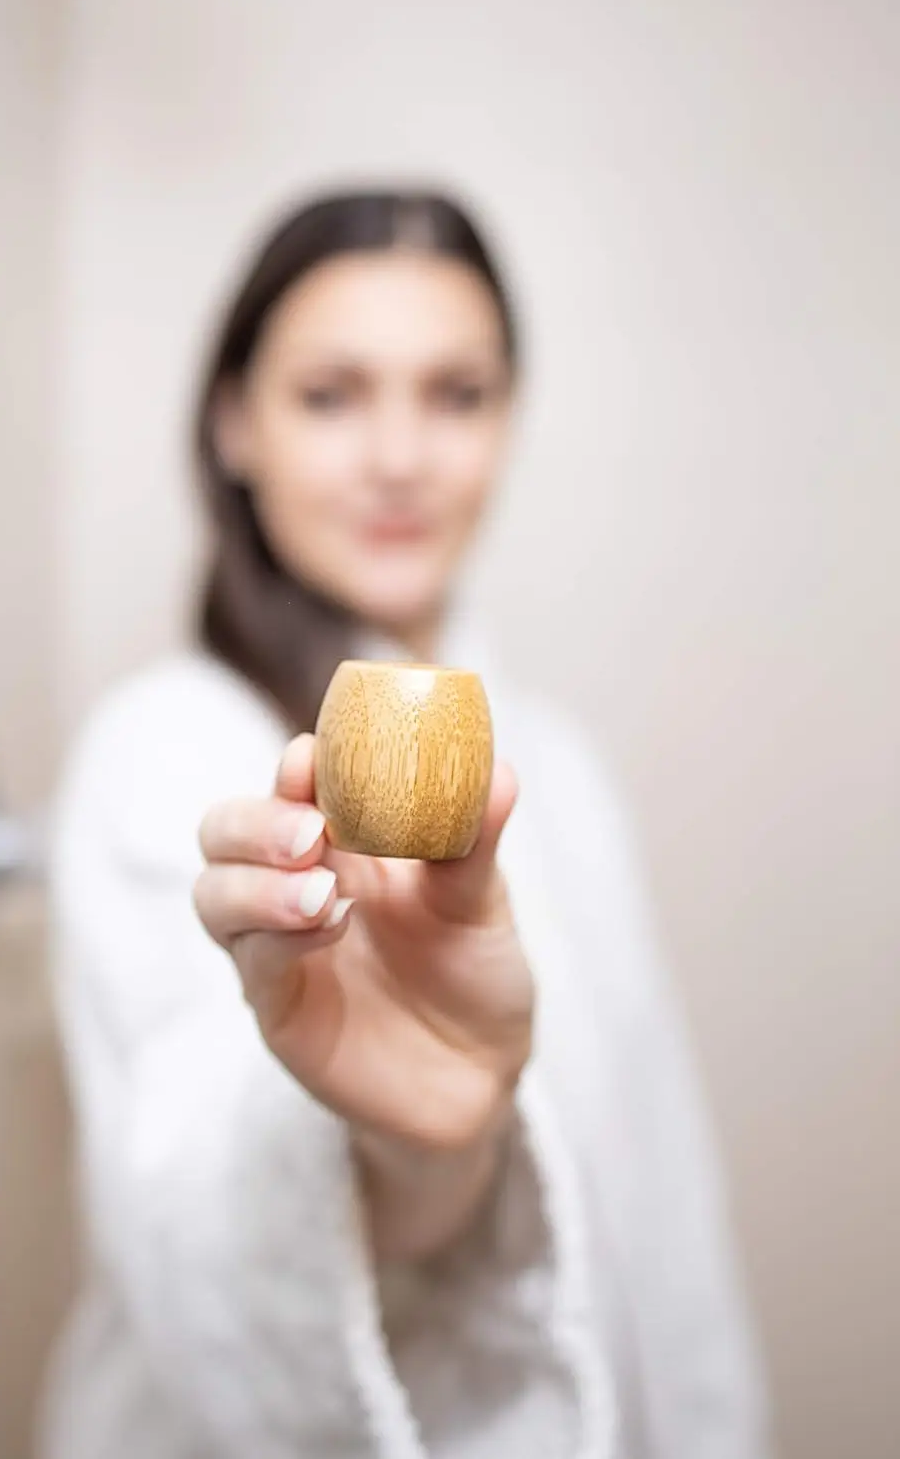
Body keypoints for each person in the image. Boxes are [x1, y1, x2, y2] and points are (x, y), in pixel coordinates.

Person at [40, 190, 770, 1459]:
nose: (398, 457)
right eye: (331, 395)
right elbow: (189, 1231)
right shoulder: (156, 756)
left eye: (456, 394)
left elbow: (663, 1204)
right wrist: (418, 1143)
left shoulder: (563, 773)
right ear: (233, 425)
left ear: (509, 420)